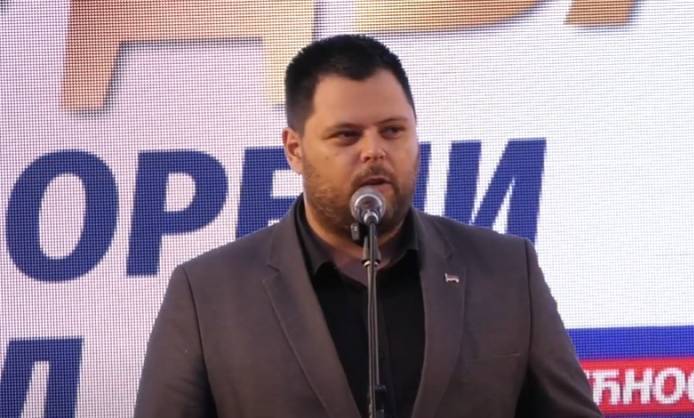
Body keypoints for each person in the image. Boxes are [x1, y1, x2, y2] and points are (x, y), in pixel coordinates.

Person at [134, 34, 602, 418]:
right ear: (295, 150)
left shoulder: (505, 270)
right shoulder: (209, 295)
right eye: (346, 135)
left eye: (393, 130)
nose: (374, 151)